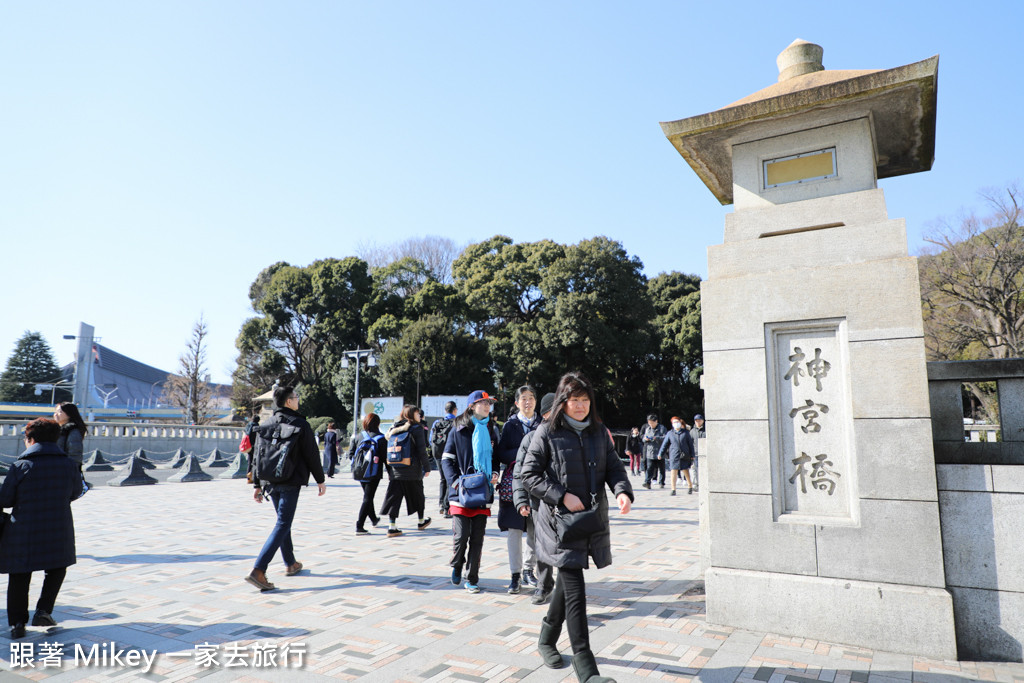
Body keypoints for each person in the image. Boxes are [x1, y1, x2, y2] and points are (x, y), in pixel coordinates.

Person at [522, 371, 633, 682]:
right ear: (563, 402)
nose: (581, 406)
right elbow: (528, 475)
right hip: (557, 524)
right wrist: (562, 496)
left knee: (566, 584)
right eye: (575, 401)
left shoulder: (599, 431)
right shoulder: (546, 432)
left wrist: (622, 490)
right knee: (575, 588)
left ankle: (545, 640)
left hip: (588, 520)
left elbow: (613, 466)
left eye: (585, 400)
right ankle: (587, 670)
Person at [0, 418, 83, 638]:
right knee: (57, 567)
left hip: (23, 528)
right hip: (58, 525)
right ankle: (43, 611)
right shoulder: (68, 464)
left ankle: (18, 623)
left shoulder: (21, 466)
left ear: (30, 439)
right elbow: (75, 492)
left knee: (20, 573)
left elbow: (5, 500)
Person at [246, 385, 326, 591]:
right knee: (283, 522)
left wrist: (256, 484)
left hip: (270, 481)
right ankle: (259, 570)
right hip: (291, 480)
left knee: (283, 521)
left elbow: (257, 456)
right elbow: (311, 454)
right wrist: (320, 479)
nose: (298, 400)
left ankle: (290, 563)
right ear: (288, 401)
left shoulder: (267, 423)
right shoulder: (300, 423)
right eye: (296, 397)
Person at [441, 390, 500, 593]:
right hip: (461, 493)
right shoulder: (458, 429)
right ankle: (458, 563)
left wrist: (494, 473)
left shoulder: (491, 429)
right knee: (461, 535)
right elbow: (446, 459)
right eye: (483, 403)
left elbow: (495, 457)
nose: (487, 407)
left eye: (489, 403)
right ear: (471, 406)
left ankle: (472, 577)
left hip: (482, 491)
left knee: (477, 537)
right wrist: (455, 483)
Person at [496, 385, 541, 594]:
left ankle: (528, 570)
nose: (528, 402)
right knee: (514, 531)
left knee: (534, 530)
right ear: (516, 403)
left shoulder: (543, 423)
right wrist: (524, 452)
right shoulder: (510, 425)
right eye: (523, 398)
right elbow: (501, 453)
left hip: (538, 484)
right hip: (514, 484)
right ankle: (514, 574)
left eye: (531, 398)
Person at [512, 391, 556, 604]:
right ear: (546, 414)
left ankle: (568, 585)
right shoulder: (531, 437)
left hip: (566, 500)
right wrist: (521, 500)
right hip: (539, 500)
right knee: (543, 544)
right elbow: (519, 472)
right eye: (553, 412)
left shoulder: (573, 436)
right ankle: (544, 584)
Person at [380, 405, 433, 537]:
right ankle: (421, 521)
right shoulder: (416, 428)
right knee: (418, 495)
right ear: (410, 415)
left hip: (396, 469)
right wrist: (427, 467)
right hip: (412, 469)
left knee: (395, 497)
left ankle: (392, 526)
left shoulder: (394, 428)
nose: (419, 416)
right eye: (417, 414)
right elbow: (422, 450)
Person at [351, 413, 385, 534]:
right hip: (373, 473)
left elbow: (351, 453)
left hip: (359, 472)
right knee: (368, 498)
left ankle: (374, 519)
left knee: (367, 496)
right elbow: (385, 459)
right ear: (378, 424)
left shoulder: (360, 436)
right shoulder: (381, 438)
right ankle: (359, 525)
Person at [429, 401, 458, 518]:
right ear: (455, 410)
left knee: (443, 479)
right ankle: (447, 508)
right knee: (450, 479)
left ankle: (441, 503)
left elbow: (431, 438)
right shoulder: (456, 422)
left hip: (438, 453)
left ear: (445, 410)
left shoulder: (437, 422)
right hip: (450, 454)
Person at [657, 417, 695, 495]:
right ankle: (673, 489)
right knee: (673, 471)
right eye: (674, 422)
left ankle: (690, 485)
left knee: (685, 471)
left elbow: (690, 444)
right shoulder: (670, 433)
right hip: (674, 455)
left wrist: (692, 454)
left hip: (684, 455)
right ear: (672, 424)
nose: (676, 423)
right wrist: (660, 453)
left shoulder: (686, 433)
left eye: (677, 422)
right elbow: (665, 444)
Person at [53, 402, 87, 468]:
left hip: (64, 470)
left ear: (69, 414)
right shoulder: (57, 429)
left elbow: (75, 454)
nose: (55, 414)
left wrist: (69, 471)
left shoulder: (73, 430)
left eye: (59, 412)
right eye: (55, 412)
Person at [641, 414, 667, 489]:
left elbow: (665, 438)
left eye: (652, 423)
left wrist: (656, 438)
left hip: (660, 452)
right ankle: (647, 482)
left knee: (661, 469)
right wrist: (645, 439)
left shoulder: (662, 428)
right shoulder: (648, 429)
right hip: (650, 452)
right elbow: (643, 439)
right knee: (649, 468)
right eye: (649, 423)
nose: (651, 424)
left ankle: (661, 482)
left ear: (656, 421)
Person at [690, 414, 705, 490]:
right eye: (696, 421)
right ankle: (696, 484)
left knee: (704, 469)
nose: (698, 422)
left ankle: (703, 483)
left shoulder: (706, 430)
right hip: (695, 453)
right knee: (695, 469)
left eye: (699, 420)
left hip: (705, 453)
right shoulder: (692, 431)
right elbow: (690, 443)